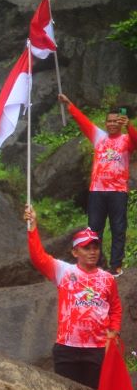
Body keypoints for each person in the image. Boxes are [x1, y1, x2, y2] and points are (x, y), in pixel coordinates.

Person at [23, 205, 122, 389]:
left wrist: (113, 332)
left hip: (97, 350)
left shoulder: (107, 279)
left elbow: (115, 307)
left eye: (95, 247)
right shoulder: (64, 271)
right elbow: (38, 257)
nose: (92, 252)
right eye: (86, 248)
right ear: (75, 252)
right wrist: (32, 226)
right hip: (67, 348)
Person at [59, 94, 137, 276]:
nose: (111, 124)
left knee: (118, 229)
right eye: (108, 121)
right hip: (97, 191)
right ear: (106, 123)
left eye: (115, 121)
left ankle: (116, 266)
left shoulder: (126, 139)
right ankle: (98, 265)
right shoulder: (99, 137)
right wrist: (69, 104)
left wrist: (129, 125)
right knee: (94, 230)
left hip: (117, 191)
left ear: (120, 122)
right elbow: (82, 121)